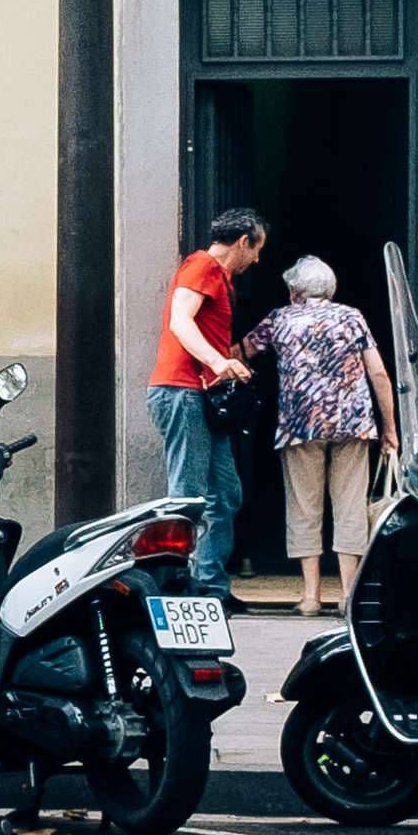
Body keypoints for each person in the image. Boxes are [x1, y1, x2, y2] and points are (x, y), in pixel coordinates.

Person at [240, 254, 399, 616]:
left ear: (295, 290)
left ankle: (310, 596)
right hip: (352, 423)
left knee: (303, 505)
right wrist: (389, 428)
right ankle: (348, 594)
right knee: (350, 505)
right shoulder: (351, 317)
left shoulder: (280, 319)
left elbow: (243, 351)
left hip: (300, 425)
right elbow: (378, 374)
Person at [146, 209, 269, 598]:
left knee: (224, 494)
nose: (258, 260)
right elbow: (181, 321)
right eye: (257, 249)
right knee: (190, 494)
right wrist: (220, 362)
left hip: (199, 394)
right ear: (244, 241)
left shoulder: (220, 276)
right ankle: (178, 585)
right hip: (181, 391)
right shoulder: (201, 266)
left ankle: (210, 586)